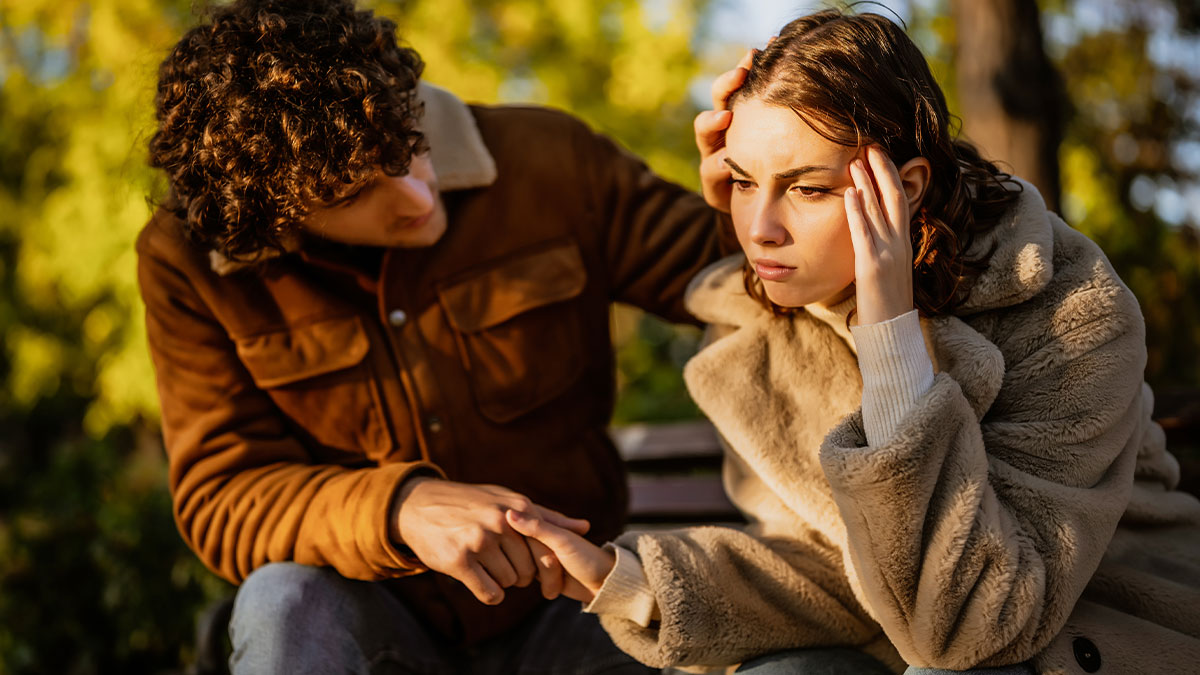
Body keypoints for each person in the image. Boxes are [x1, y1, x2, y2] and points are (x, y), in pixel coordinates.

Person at [507, 9, 1200, 675]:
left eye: (807, 189)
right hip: (896, 637)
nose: (760, 229)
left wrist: (889, 338)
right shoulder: (768, 324)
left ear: (906, 188)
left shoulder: (1070, 313)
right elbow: (842, 571)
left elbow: (971, 629)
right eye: (743, 181)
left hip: (1092, 630)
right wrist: (628, 579)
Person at [136, 0, 730, 672]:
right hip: (374, 620)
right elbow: (223, 497)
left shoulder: (551, 158)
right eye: (350, 194)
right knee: (282, 601)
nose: (418, 197)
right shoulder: (185, 262)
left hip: (572, 607)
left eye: (410, 146)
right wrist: (398, 510)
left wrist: (762, 177)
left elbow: (744, 274)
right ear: (275, 219)